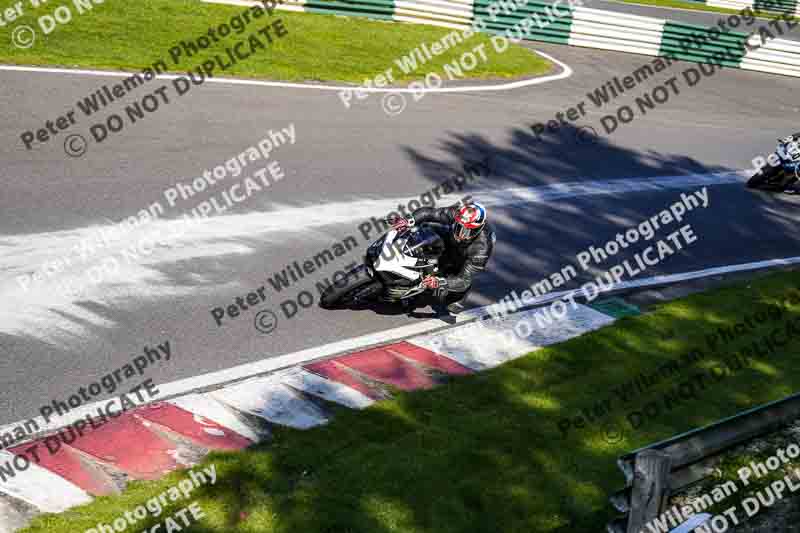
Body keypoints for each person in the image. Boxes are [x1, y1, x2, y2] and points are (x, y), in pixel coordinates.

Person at [390, 200, 495, 314]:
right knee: (425, 227)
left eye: (467, 230)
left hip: (466, 252)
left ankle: (458, 297)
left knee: (451, 298)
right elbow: (430, 213)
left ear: (478, 229)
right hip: (450, 236)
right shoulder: (456, 213)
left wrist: (440, 282)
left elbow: (464, 280)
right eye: (459, 226)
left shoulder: (481, 249)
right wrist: (409, 220)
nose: (461, 233)